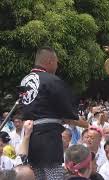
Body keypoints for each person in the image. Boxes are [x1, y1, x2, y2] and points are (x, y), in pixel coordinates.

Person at [19, 47, 83, 179]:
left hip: (30, 135)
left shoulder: (24, 80)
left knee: (37, 175)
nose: (57, 66)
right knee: (55, 176)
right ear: (50, 61)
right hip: (48, 137)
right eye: (57, 62)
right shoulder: (52, 80)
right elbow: (67, 111)